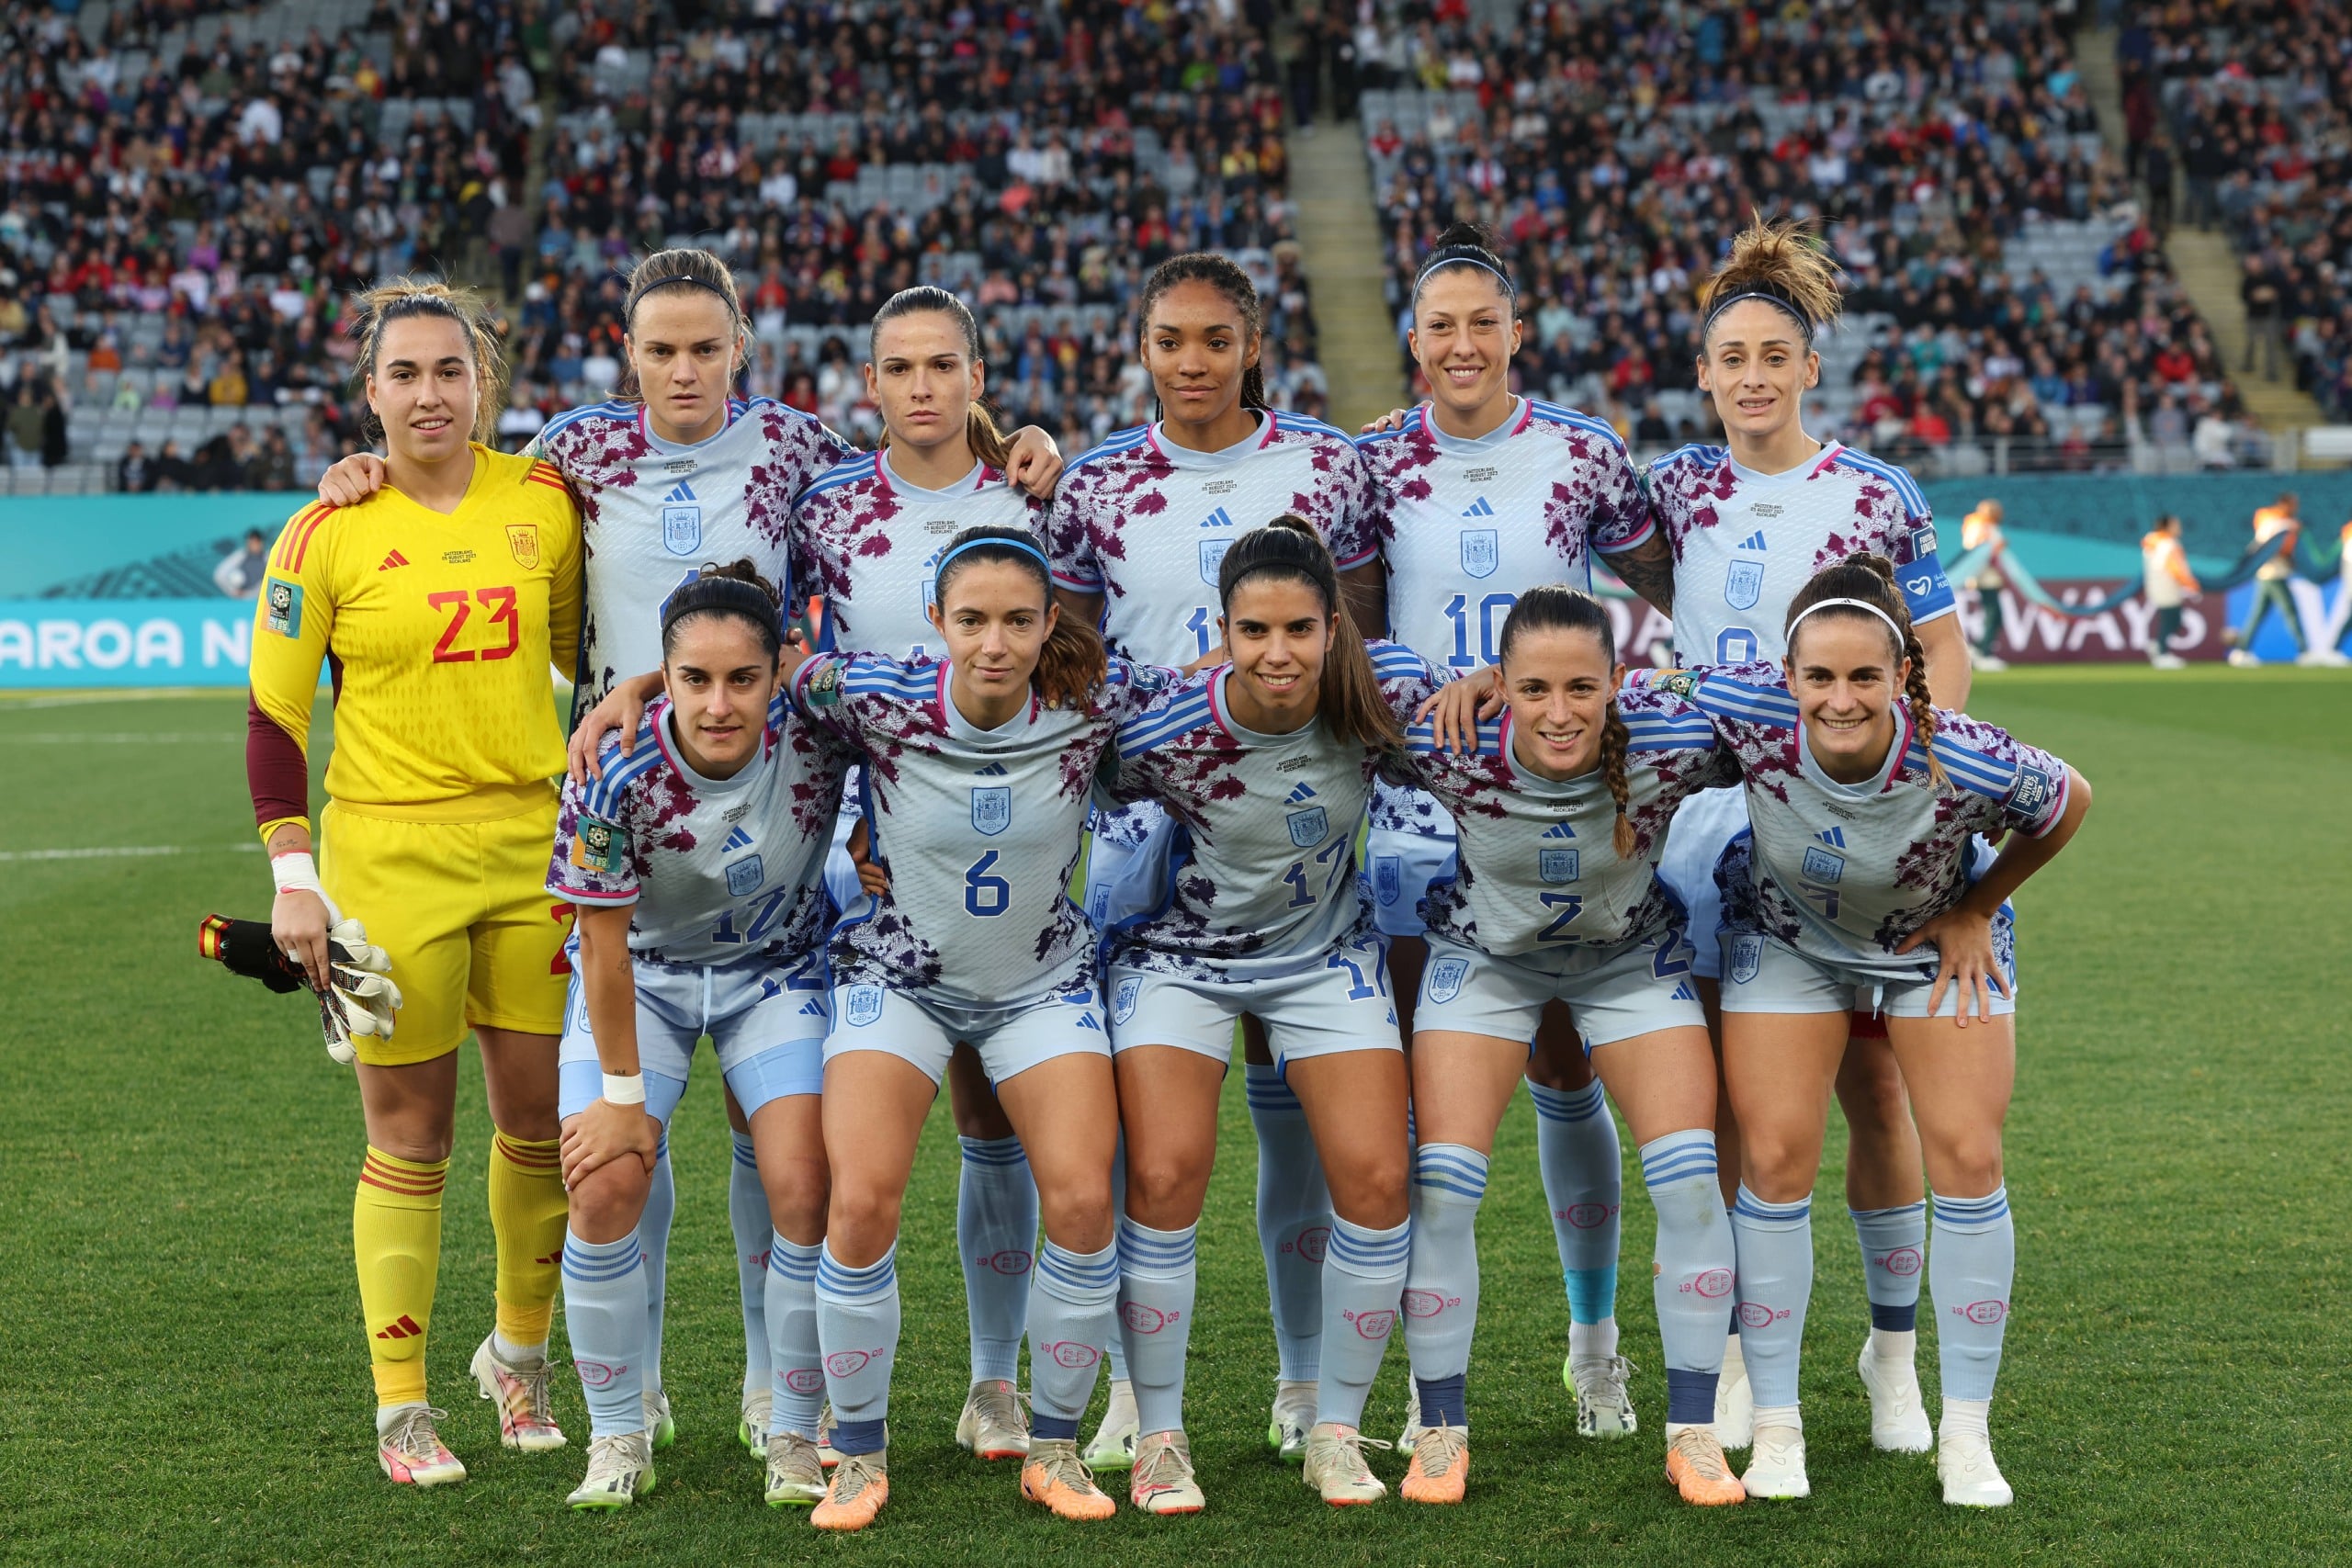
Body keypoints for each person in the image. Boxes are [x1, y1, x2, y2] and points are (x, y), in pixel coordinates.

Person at [324, 248, 1066, 1461]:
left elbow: (921, 450)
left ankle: (776, 1386)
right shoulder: (574, 450)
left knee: (760, 1117)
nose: (683, 369)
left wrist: (1015, 435)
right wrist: (366, 471)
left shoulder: (792, 449)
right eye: (660, 348)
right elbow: (457, 480)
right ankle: (630, 1381)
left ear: (740, 352)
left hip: (765, 806)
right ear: (628, 354)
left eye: (705, 348)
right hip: (616, 816)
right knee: (630, 1118)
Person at [567, 283, 1066, 1467]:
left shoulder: (1042, 494)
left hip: (1009, 835)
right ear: (872, 384)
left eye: (944, 366)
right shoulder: (829, 496)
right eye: (900, 368)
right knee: (789, 1145)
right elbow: (742, 625)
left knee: (991, 1116)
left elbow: (1083, 637)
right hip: (855, 831)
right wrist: (645, 683)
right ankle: (752, 1394)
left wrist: (1032, 448)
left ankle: (994, 1385)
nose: (922, 387)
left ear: (978, 378)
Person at [1651, 554, 2091, 1506]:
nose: (1840, 698)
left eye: (1863, 677)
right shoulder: (1748, 710)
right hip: (1786, 937)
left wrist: (1980, 904)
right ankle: (1775, 1427)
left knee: (1968, 1155)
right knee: (1772, 1159)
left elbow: (2067, 803)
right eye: (1819, 676)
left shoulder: (1966, 753)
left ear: (1903, 677)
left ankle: (1965, 1433)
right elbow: (1630, 690)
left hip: (1931, 941)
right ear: (1787, 677)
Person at [1046, 253, 1383, 1469]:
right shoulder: (1092, 488)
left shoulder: (1329, 467)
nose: (1191, 361)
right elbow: (1070, 663)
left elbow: (1365, 638)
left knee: (1301, 1112)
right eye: (1169, 340)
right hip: (1148, 830)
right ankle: (1145, 1398)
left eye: (1214, 339)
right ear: (1142, 349)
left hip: (1298, 823)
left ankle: (1305, 1383)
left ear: (1253, 345)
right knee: (1158, 1137)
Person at [247, 278, 583, 1487]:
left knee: (543, 1123)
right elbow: (275, 723)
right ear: (370, 391)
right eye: (405, 374)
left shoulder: (541, 500)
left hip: (535, 851)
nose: (429, 392)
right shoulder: (323, 530)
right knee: (411, 1136)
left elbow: (584, 655)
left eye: (450, 369)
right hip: (387, 858)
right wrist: (297, 877)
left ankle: (520, 1359)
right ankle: (403, 1403)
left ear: (483, 379)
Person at [1646, 217, 1971, 1453]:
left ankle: (1891, 1355)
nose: (1753, 375)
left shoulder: (1876, 493)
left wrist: (1916, 778)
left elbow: (1940, 652)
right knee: (1744, 1105)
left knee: (1876, 1087)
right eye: (1731, 355)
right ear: (1704, 369)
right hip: (1711, 831)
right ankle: (1736, 1347)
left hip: (1851, 828)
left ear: (1808, 366)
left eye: (1774, 353)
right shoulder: (1675, 489)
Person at [1355, 221, 1679, 1441]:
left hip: (1556, 801)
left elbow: (1673, 590)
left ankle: (1594, 1345)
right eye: (1439, 324)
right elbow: (1352, 619)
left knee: (1561, 1060)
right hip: (1410, 804)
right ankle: (1406, 1363)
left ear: (1515, 332)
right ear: (1414, 336)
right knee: (1411, 1088)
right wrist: (1430, 678)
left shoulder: (1585, 453)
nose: (1460, 343)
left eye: (1481, 322)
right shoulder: (1373, 460)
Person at [786, 527, 1169, 1530]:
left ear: (1050, 624)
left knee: (1084, 1203)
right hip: (898, 979)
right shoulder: (870, 692)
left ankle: (1052, 1447)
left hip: (1040, 983)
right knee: (861, 1201)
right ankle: (858, 1455)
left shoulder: (1096, 704)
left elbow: (1231, 689)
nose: (992, 642)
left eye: (1015, 620)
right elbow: (760, 678)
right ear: (935, 623)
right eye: (970, 620)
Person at [1101, 517, 1435, 1512]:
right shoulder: (1166, 720)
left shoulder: (1378, 700)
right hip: (1180, 961)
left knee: (1377, 1180)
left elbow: (1490, 724)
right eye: (1253, 632)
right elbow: (1044, 771)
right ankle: (1160, 1435)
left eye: (1297, 629)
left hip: (1322, 956)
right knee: (1162, 1173)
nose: (1276, 653)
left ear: (1335, 628)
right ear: (1221, 631)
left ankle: (1334, 1427)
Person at [1396, 587, 1744, 1507]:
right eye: (1534, 688)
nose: (1559, 713)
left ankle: (1694, 1434)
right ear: (1499, 686)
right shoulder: (1445, 736)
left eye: (1582, 689)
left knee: (1688, 1177)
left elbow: (1782, 691)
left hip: (1627, 963)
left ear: (1617, 684)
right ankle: (1438, 1430)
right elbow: (1327, 679)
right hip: (1483, 961)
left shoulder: (1670, 740)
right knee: (1442, 1185)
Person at [548, 562, 843, 1511]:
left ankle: (789, 1424)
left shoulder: (820, 728)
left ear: (778, 675)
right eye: (693, 680)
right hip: (643, 977)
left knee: (804, 1185)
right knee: (602, 1183)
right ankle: (620, 1430)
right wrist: (627, 1106)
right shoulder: (613, 763)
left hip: (777, 973)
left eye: (742, 680)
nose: (718, 704)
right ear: (659, 679)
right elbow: (598, 942)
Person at [2231, 492, 2308, 666]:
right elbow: (2269, 548)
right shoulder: (2275, 522)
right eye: (2293, 504)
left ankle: (2241, 651)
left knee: (2258, 614)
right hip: (2274, 573)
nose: (2296, 508)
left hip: (2268, 573)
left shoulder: (2274, 521)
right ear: (2284, 504)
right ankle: (2305, 652)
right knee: (2290, 612)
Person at [2142, 513, 2199, 669]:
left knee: (2173, 621)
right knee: (2170, 621)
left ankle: (2158, 647)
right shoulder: (2167, 543)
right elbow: (2174, 567)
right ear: (2167, 526)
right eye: (2176, 524)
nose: (2179, 527)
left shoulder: (2153, 541)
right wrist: (2190, 584)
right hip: (2167, 587)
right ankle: (2162, 654)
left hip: (2157, 586)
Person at [1959, 500, 2009, 671]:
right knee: (1993, 614)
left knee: (1995, 615)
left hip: (1992, 578)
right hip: (1985, 578)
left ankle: (1980, 650)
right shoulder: (1978, 526)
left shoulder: (1988, 526)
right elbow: (1977, 552)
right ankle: (1983, 653)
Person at [214, 527, 271, 598]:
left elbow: (270, 581)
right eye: (251, 541)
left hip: (258, 599)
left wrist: (252, 594)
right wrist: (233, 591)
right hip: (238, 601)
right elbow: (220, 575)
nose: (254, 545)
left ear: (262, 542)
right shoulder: (239, 556)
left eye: (257, 541)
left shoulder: (269, 558)